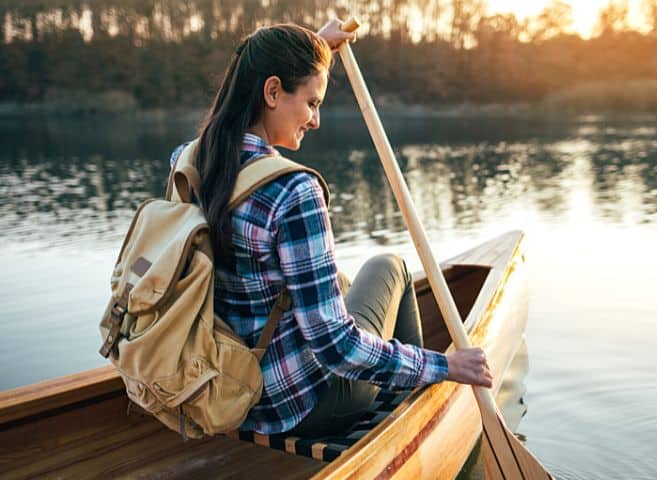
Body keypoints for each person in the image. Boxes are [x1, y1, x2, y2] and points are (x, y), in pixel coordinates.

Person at [167, 19, 492, 437]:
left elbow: (251, 94)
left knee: (338, 280)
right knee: (388, 265)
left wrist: (314, 49)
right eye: (312, 103)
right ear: (271, 92)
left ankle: (408, 382)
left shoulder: (190, 162)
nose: (315, 120)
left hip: (225, 390)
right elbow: (336, 348)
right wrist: (444, 364)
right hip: (299, 405)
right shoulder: (293, 191)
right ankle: (410, 412)